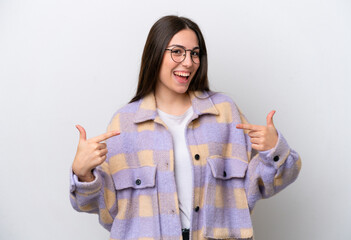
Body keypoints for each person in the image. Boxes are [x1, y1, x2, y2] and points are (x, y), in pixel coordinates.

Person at [70, 15, 301, 240]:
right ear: (155, 54)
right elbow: (108, 212)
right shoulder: (125, 122)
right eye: (177, 51)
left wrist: (274, 151)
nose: (189, 62)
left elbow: (264, 185)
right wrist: (83, 174)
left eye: (195, 53)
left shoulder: (225, 112)